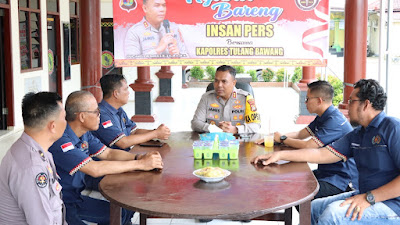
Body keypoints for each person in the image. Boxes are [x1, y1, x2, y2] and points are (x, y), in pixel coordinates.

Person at [252, 79, 400, 224]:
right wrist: (279, 155)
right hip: (365, 194)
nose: (347, 107)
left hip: (391, 205)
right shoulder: (358, 134)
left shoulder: (392, 128)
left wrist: (369, 198)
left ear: (366, 104)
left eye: (351, 101)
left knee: (333, 214)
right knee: (312, 208)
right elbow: (321, 153)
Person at [49, 91, 163, 225]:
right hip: (61, 206)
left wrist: (139, 157)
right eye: (96, 112)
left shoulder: (84, 134)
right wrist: (141, 164)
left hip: (77, 199)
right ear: (82, 116)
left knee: (123, 212)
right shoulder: (62, 140)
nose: (100, 115)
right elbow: (94, 169)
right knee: (117, 216)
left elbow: (108, 153)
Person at [256, 80, 357, 199]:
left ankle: (310, 217)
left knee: (299, 193)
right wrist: (276, 137)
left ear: (319, 100)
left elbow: (308, 146)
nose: (305, 102)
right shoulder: (324, 116)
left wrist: (283, 139)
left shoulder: (334, 121)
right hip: (325, 173)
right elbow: (300, 134)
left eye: (308, 99)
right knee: (291, 181)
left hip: (339, 180)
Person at [0, 92, 67, 225]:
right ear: (52, 126)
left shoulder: (34, 149)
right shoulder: (31, 167)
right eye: (64, 117)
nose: (66, 122)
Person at [91, 74, 170, 151]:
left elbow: (134, 131)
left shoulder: (119, 110)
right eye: (125, 89)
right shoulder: (102, 115)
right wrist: (156, 133)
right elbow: (123, 142)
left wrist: (158, 132)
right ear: (116, 93)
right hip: (108, 162)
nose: (129, 93)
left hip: (123, 157)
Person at [191, 65, 261, 134]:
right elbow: (195, 123)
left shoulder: (246, 98)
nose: (219, 85)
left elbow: (256, 125)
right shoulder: (207, 97)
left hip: (239, 142)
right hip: (214, 141)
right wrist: (213, 128)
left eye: (224, 81)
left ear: (233, 83)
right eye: (216, 81)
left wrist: (236, 129)